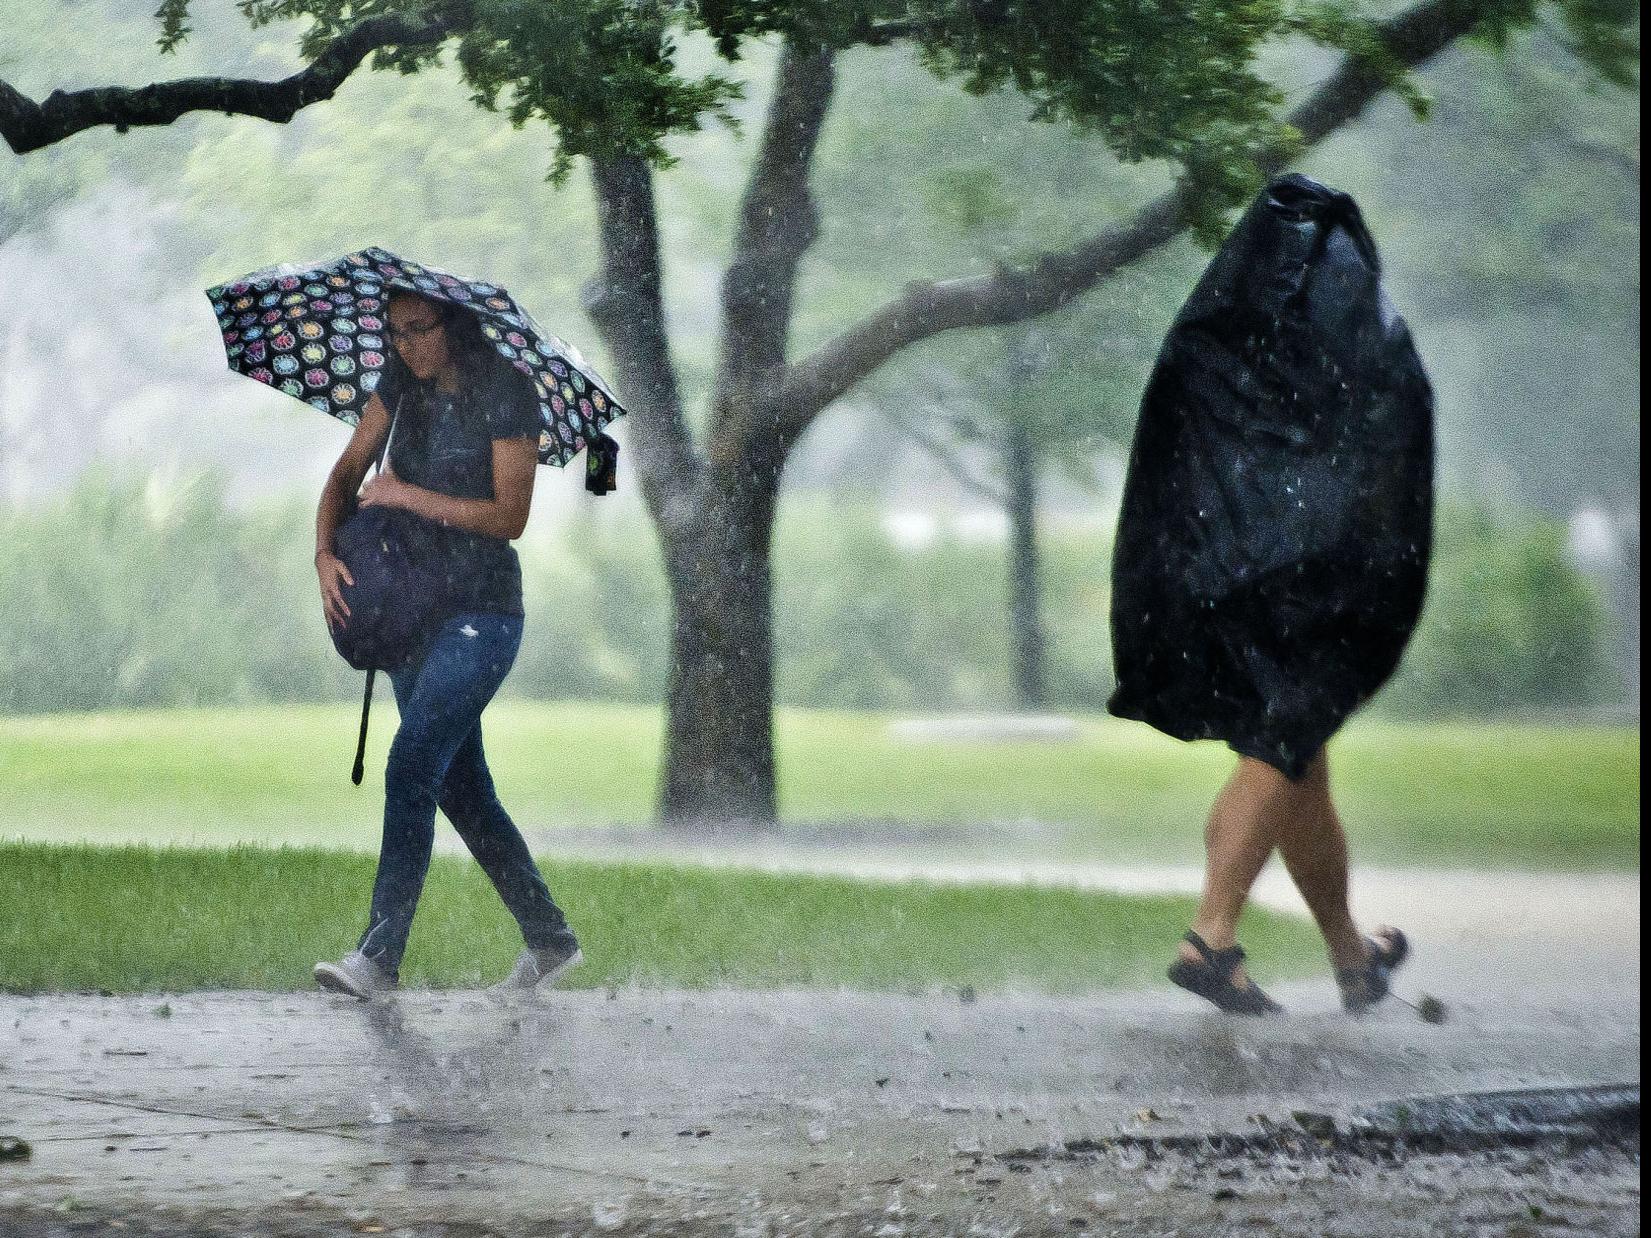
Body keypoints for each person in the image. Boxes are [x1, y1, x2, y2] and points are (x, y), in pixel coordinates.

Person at [1108, 175, 1431, 1016]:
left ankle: (1350, 959)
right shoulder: (1358, 355)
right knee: (1277, 743)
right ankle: (1210, 935)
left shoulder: (1210, 341)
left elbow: (1164, 466)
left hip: (1221, 585)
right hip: (1314, 600)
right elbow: (1388, 465)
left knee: (1298, 766)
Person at [310, 290, 581, 999]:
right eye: (394, 332)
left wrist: (407, 497)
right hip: (411, 615)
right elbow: (345, 475)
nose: (404, 345)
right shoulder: (398, 384)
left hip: (483, 616)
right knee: (465, 793)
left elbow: (509, 516)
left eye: (417, 330)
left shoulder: (507, 394)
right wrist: (322, 554)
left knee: (412, 761)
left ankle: (378, 958)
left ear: (452, 326)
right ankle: (550, 939)